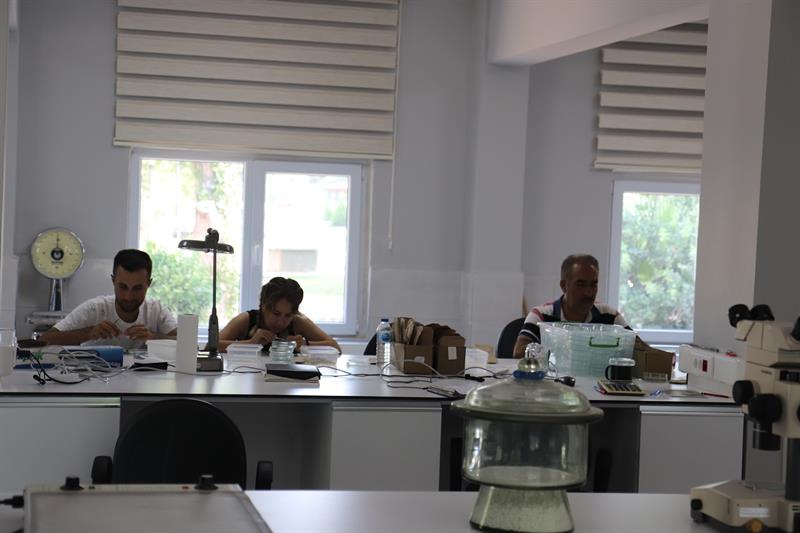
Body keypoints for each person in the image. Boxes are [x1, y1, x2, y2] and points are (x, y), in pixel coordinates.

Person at [39, 249, 177, 347]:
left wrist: (154, 337)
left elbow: (184, 342)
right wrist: (89, 333)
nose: (128, 296)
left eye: (137, 288)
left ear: (149, 284)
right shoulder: (95, 309)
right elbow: (44, 339)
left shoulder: (156, 310)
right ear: (113, 281)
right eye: (123, 287)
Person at [513, 253, 628, 358]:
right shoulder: (541, 315)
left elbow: (637, 349)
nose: (588, 292)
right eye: (580, 284)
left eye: (593, 285)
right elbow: (518, 352)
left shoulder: (610, 316)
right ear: (564, 286)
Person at [219, 277, 341, 354]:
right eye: (276, 314)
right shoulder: (247, 320)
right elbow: (213, 346)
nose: (281, 322)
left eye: (288, 315)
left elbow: (335, 348)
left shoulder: (298, 321)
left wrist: (303, 344)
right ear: (263, 306)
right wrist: (250, 343)